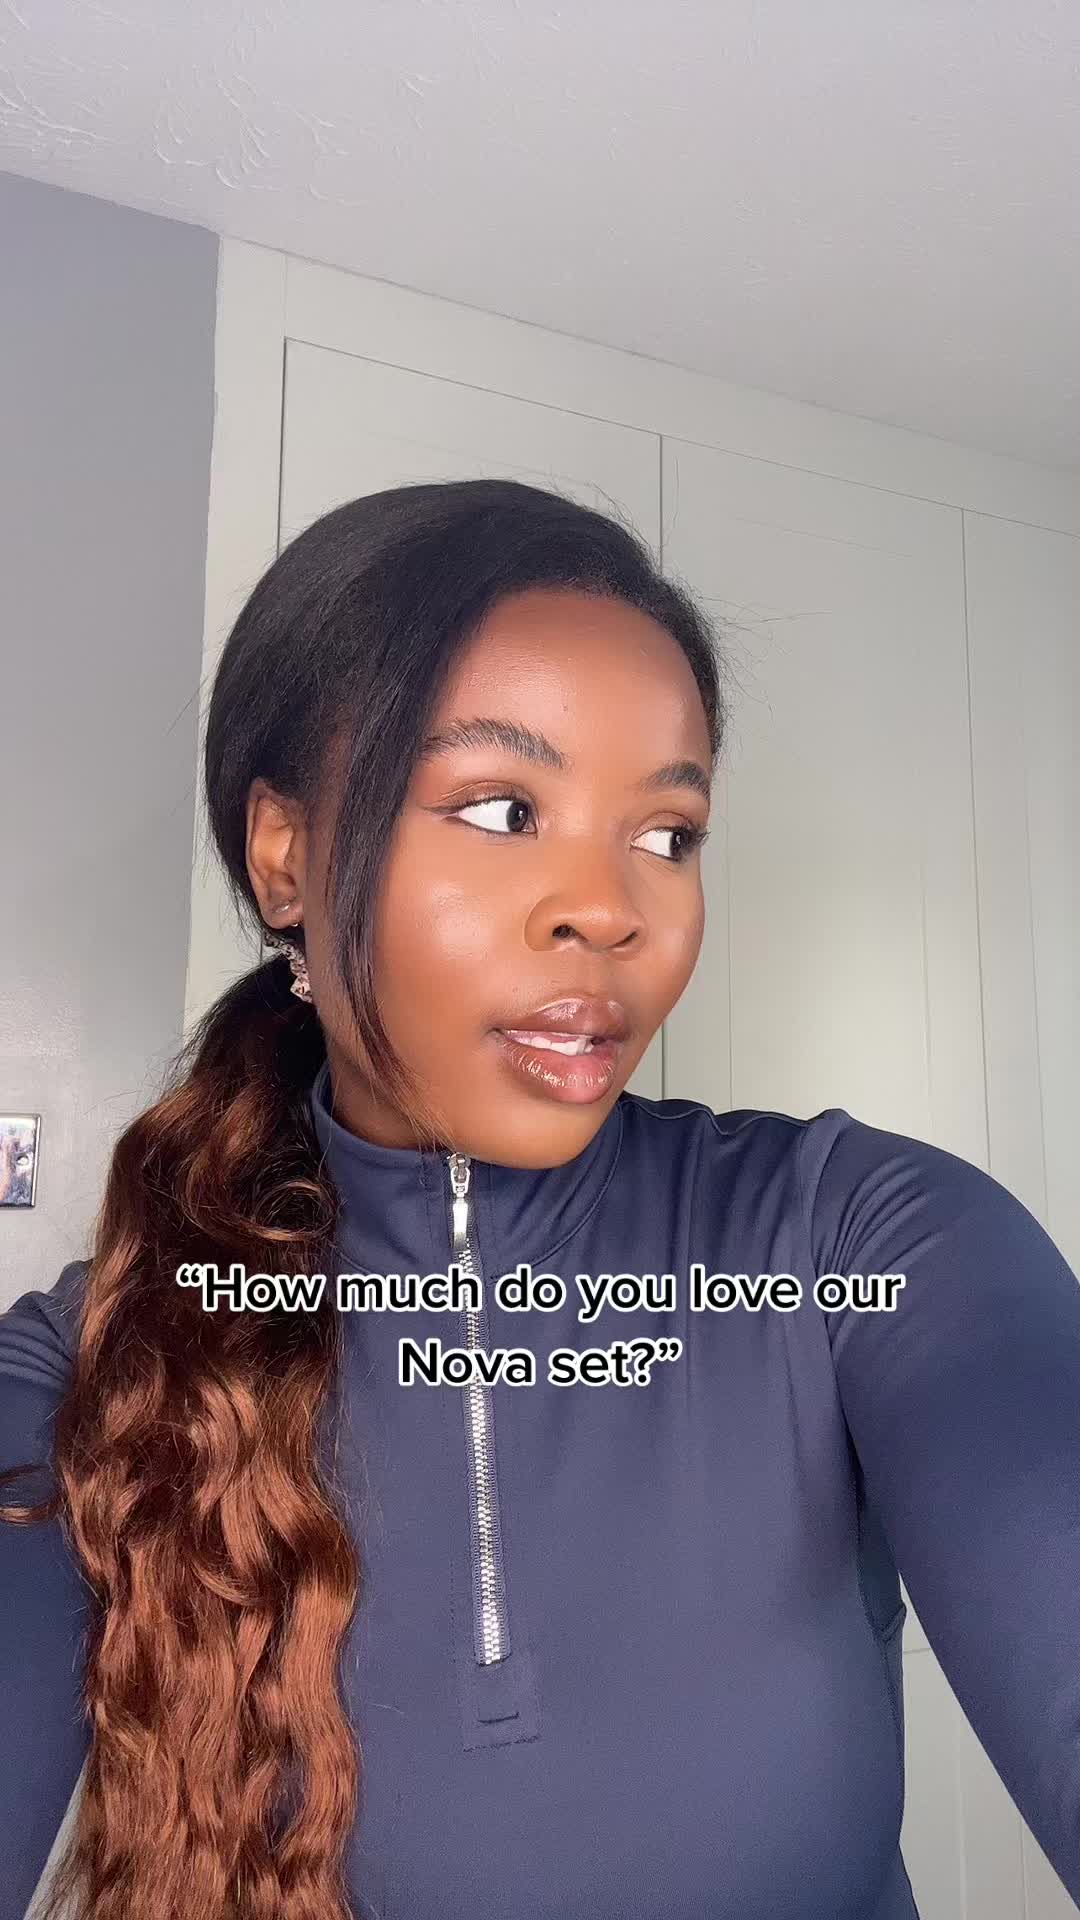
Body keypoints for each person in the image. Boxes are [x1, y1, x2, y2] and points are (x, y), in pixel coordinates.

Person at [2, 478, 1079, 1920]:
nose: (614, 908)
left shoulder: (860, 1236)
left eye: (668, 833)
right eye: (505, 808)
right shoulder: (102, 1361)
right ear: (285, 858)